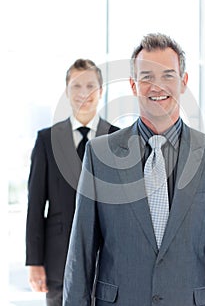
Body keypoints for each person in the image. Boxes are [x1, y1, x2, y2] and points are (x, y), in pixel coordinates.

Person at [63, 34, 205, 306]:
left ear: (183, 83)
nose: (157, 86)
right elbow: (81, 253)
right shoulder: (99, 155)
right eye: (146, 76)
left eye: (168, 76)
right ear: (133, 85)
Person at [25, 58, 119, 306]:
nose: (83, 93)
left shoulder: (119, 139)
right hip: (58, 262)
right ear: (67, 92)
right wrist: (34, 262)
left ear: (101, 91)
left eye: (90, 85)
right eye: (76, 86)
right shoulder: (47, 140)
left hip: (109, 263)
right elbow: (35, 205)